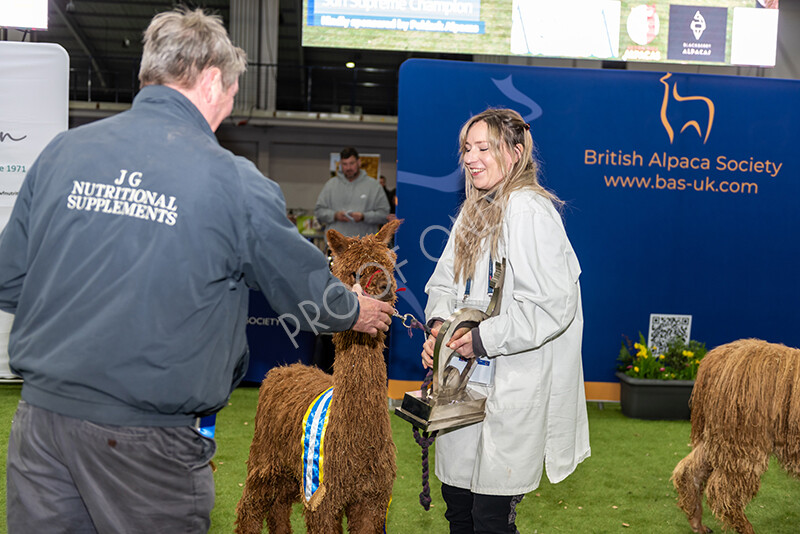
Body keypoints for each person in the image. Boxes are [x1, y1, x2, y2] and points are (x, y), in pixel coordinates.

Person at [0, 8, 393, 533]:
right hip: (147, 441)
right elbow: (302, 286)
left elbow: (9, 278)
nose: (230, 106)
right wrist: (356, 309)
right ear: (211, 80)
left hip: (41, 428)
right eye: (232, 91)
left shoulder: (62, 153)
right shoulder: (234, 181)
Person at [421, 108, 590, 533]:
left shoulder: (530, 211)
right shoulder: (474, 212)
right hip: (465, 388)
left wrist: (480, 339)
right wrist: (441, 328)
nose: (470, 158)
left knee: (490, 519)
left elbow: (551, 305)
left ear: (515, 153)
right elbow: (442, 285)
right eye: (466, 148)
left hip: (512, 389)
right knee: (458, 506)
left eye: (483, 148)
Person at [314, 147, 390, 237]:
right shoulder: (330, 185)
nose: (348, 168)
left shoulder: (374, 186)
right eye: (345, 164)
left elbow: (384, 215)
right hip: (336, 247)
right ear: (340, 165)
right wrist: (335, 215)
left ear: (359, 162)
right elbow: (319, 212)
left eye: (351, 163)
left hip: (363, 247)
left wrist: (364, 217)